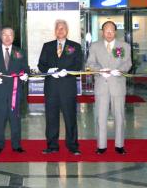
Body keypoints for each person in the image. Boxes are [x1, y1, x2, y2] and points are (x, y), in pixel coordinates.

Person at [38, 19, 83, 155]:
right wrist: (49, 71)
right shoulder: (47, 46)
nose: (60, 30)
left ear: (67, 30)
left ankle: (73, 146)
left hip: (67, 87)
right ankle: (52, 146)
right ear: (55, 30)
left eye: (63, 28)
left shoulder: (74, 46)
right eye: (58, 28)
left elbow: (78, 65)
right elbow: (41, 65)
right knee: (51, 118)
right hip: (51, 87)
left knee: (70, 118)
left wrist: (67, 72)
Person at [87, 21, 132, 155]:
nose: (109, 33)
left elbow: (128, 62)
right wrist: (100, 70)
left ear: (115, 32)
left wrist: (120, 70)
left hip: (118, 85)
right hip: (101, 85)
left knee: (119, 116)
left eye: (111, 30)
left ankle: (119, 145)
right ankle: (101, 146)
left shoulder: (124, 46)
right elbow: (90, 63)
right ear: (102, 32)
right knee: (101, 117)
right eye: (106, 30)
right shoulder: (95, 46)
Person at [0, 27, 30, 153]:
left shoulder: (19, 52)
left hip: (15, 92)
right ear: (1, 36)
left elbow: (25, 69)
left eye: (10, 35)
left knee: (15, 119)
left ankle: (16, 145)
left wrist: (25, 75)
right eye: (5, 35)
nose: (7, 37)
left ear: (14, 37)